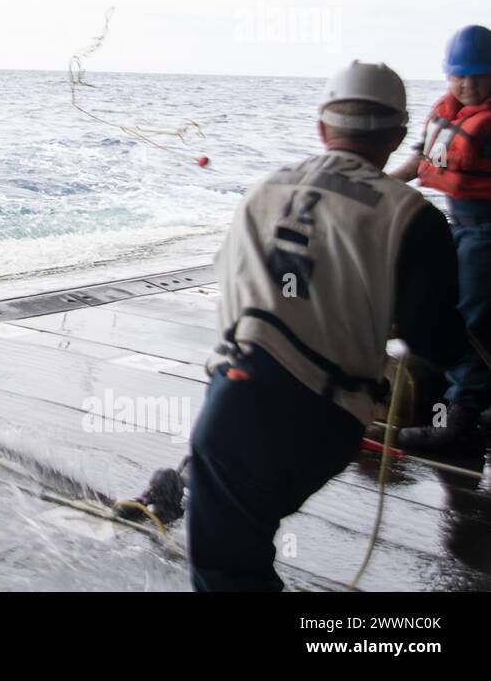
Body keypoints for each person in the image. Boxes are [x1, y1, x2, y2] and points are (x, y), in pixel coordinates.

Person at [188, 61, 468, 591]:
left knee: (227, 569)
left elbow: (235, 281)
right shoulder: (412, 215)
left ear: (322, 127)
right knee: (245, 553)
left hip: (241, 403)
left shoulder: (263, 188)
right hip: (331, 422)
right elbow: (436, 341)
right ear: (398, 136)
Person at [387, 25, 491, 452]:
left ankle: (459, 418)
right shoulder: (449, 114)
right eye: (459, 76)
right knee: (430, 294)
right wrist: (372, 184)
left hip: (485, 233)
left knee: (469, 318)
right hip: (458, 226)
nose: (468, 84)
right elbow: (420, 159)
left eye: (480, 75)